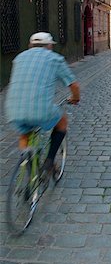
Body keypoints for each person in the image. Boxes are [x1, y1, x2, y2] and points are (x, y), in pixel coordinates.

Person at [5, 32, 80, 174]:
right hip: (41, 109)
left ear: (30, 46)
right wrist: (75, 98)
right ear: (50, 46)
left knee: (25, 133)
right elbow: (74, 85)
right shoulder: (54, 59)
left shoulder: (19, 58)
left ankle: (29, 165)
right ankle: (49, 162)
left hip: (13, 108)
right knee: (62, 122)